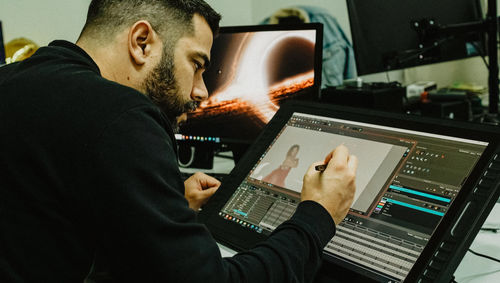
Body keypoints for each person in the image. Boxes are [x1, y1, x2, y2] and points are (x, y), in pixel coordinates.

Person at [0, 0, 358, 282]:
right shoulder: (122, 115)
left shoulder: (16, 80)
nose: (201, 91)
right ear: (142, 42)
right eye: (196, 63)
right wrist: (319, 214)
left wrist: (156, 209)